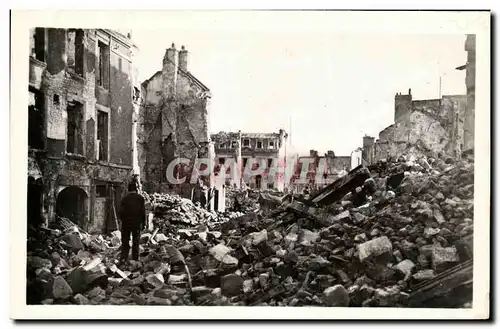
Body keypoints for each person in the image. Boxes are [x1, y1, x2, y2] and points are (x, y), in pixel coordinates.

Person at [118, 180, 146, 262]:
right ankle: (135, 259)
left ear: (128, 189)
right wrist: (144, 223)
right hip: (136, 223)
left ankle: (123, 258)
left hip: (126, 223)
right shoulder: (140, 198)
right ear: (136, 189)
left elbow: (121, 212)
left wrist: (122, 220)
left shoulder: (124, 199)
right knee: (136, 242)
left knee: (125, 242)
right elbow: (143, 212)